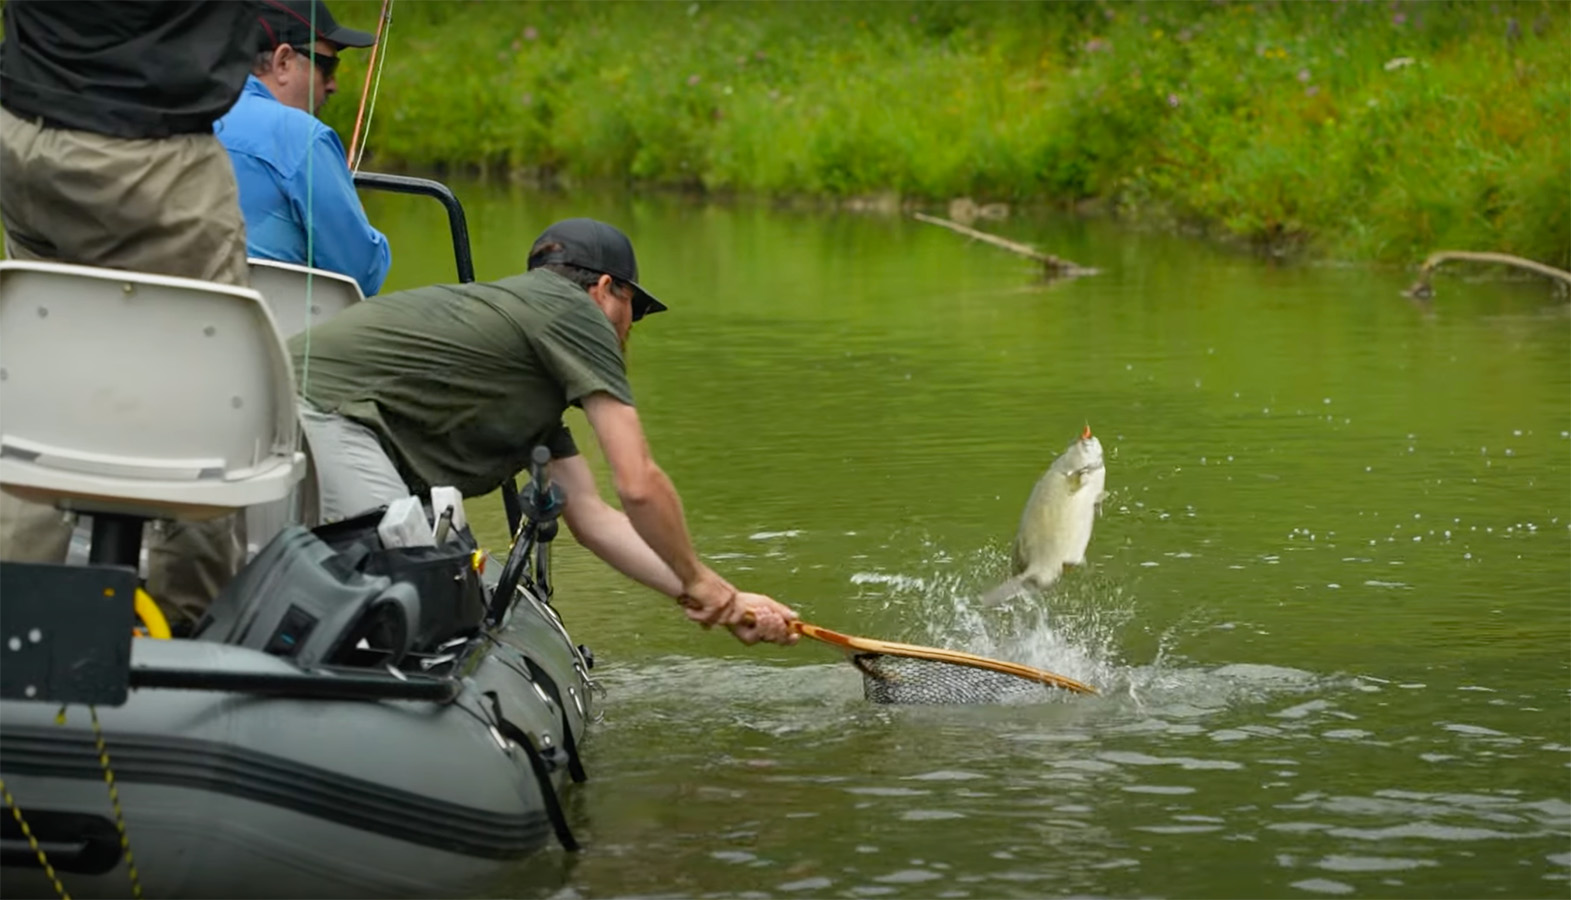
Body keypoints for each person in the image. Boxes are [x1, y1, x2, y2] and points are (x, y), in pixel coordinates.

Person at [287, 218, 799, 646]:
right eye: (633, 309)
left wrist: (724, 599)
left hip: (269, 399)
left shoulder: (527, 359)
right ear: (603, 289)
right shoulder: (577, 314)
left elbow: (594, 519)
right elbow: (639, 483)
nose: (629, 328)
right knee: (404, 606)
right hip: (324, 412)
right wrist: (701, 581)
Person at [0, 0, 264, 631]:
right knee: (208, 405)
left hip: (21, 136)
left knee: (39, 391)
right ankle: (185, 633)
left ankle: (13, 618)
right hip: (149, 154)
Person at [217, 0, 392, 298]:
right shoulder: (302, 136)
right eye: (328, 66)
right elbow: (363, 275)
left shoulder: (167, 115)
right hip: (283, 338)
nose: (333, 85)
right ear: (283, 62)